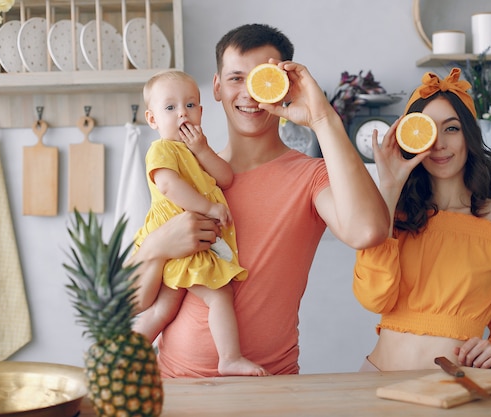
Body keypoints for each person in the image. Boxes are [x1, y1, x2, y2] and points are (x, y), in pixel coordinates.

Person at [128, 23, 390, 377]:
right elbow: (128, 301)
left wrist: (322, 118)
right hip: (171, 385)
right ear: (217, 88)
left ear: (284, 87)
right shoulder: (189, 178)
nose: (250, 92)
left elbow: (368, 231)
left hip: (268, 388)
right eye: (236, 78)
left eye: (261, 78)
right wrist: (157, 247)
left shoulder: (310, 176)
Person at [353, 68, 491, 372]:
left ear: (469, 135)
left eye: (451, 128)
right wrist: (389, 187)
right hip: (375, 382)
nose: (438, 143)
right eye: (427, 129)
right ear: (410, 138)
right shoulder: (394, 215)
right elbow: (374, 299)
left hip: (455, 388)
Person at [131, 70, 268, 376]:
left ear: (201, 112)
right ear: (152, 120)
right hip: (181, 243)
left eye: (190, 105)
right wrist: (208, 206)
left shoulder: (194, 152)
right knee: (219, 295)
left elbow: (226, 177)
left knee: (164, 309)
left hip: (188, 245)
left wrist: (203, 149)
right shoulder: (162, 149)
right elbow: (168, 186)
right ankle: (229, 358)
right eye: (171, 108)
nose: (182, 112)